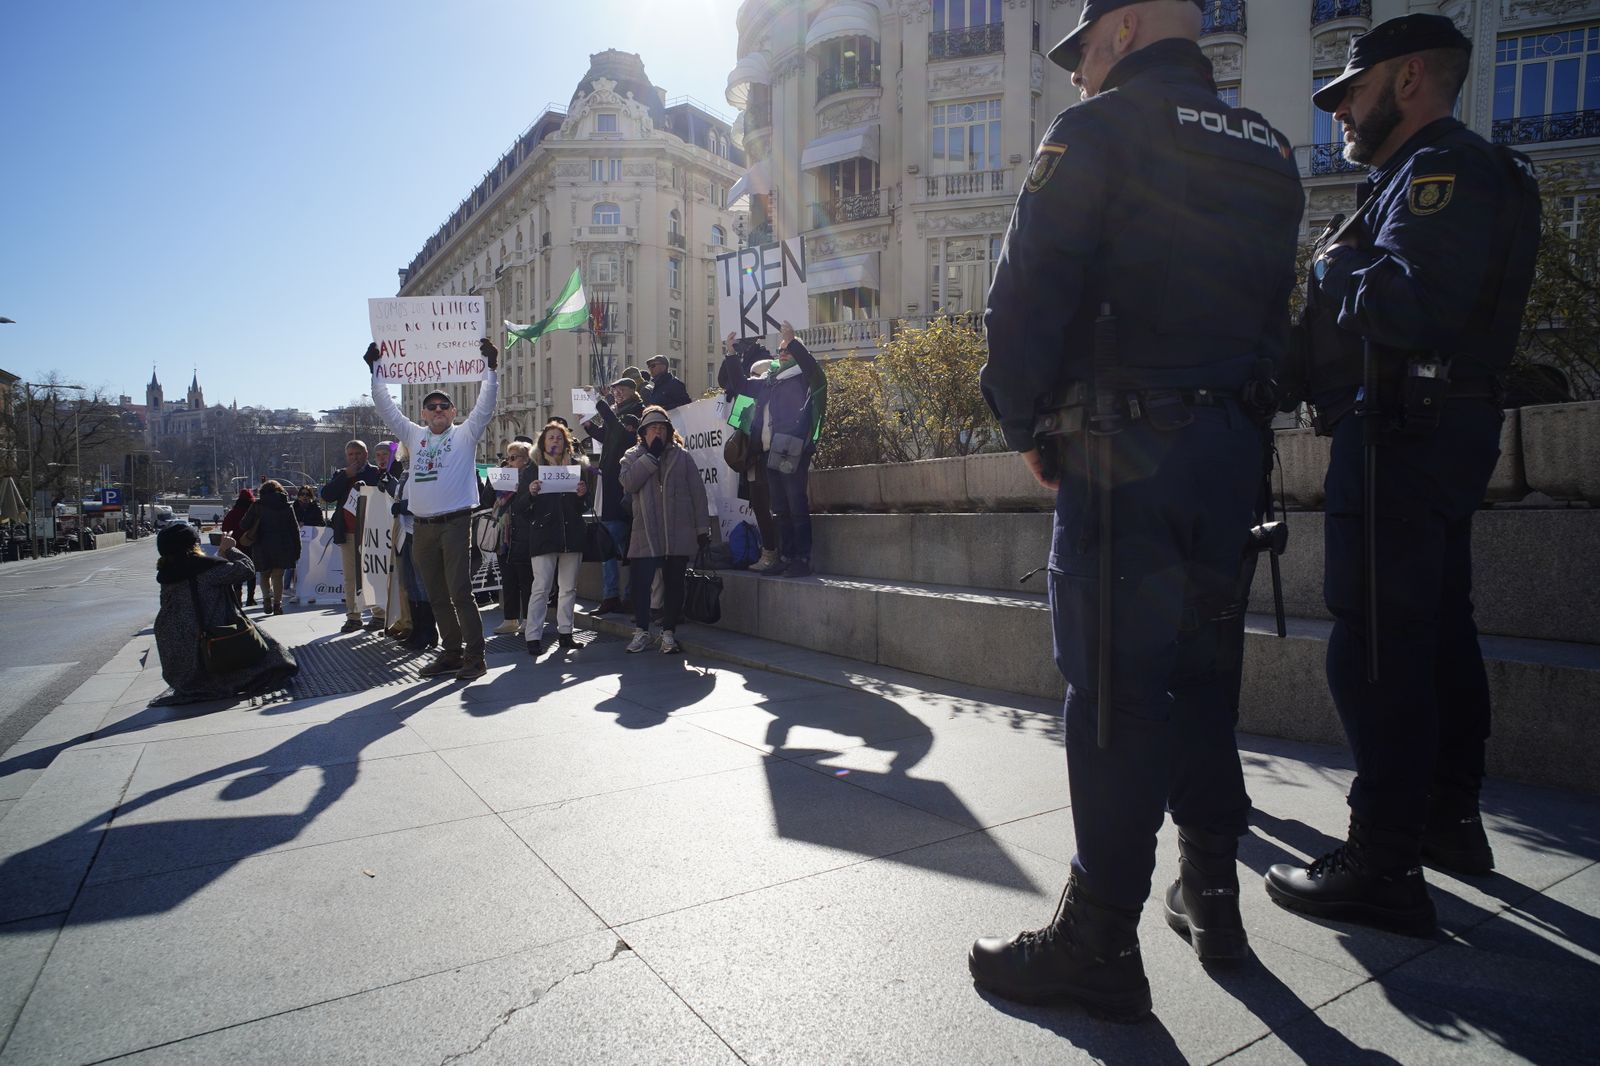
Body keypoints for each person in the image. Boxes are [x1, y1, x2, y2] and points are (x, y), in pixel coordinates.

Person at [969, 0, 1304, 1018]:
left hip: (1124, 457)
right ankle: (1211, 895)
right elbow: (1274, 310)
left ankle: (1100, 939)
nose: (1077, 73)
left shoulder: (1097, 129)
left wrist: (1025, 420)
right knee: (1204, 675)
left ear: (1122, 31)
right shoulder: (1270, 148)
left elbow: (1026, 295)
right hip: (1231, 455)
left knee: (1114, 689)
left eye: (1083, 51)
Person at [1264, 15, 1541, 936]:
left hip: (1401, 432)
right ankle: (1446, 822)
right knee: (1435, 628)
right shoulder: (1429, 175)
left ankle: (1381, 860)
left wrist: (1337, 261)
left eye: (1351, 90)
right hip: (1430, 428)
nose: (1340, 110)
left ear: (1411, 76)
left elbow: (1412, 307)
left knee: (1376, 638)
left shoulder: (1439, 173)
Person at [366, 338, 499, 681]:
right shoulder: (413, 435)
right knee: (436, 595)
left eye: (444, 406)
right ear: (423, 414)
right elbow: (385, 407)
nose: (438, 410)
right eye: (431, 407)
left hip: (455, 523)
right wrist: (375, 370)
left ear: (454, 412)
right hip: (421, 526)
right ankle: (451, 652)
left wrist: (491, 369)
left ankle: (475, 656)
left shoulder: (466, 434)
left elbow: (486, 405)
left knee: (460, 592)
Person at [152, 523, 297, 702]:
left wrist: (220, 555)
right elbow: (247, 569)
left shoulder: (167, 574)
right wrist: (230, 549)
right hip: (217, 643)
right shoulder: (206, 569)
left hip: (179, 653)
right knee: (277, 660)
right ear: (193, 544)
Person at [618, 406, 710, 654]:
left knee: (674, 585)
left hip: (676, 534)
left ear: (669, 431)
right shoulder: (632, 456)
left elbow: (698, 494)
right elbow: (628, 483)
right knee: (641, 585)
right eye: (652, 428)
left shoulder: (683, 457)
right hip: (645, 533)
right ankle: (641, 632)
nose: (657, 432)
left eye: (662, 428)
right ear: (643, 433)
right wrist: (651, 457)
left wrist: (702, 529)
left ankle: (668, 633)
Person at [751, 322, 825, 578]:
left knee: (796, 504)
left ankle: (802, 558)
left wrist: (792, 339)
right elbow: (741, 386)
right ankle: (786, 557)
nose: (782, 354)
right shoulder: (774, 380)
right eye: (780, 351)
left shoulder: (806, 375)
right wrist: (730, 354)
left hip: (794, 448)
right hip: (774, 448)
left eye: (787, 350)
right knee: (780, 507)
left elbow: (810, 365)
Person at [521, 421, 593, 656]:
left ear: (566, 443)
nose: (555, 441)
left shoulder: (575, 467)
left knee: (568, 588)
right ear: (543, 442)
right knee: (541, 588)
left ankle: (566, 633)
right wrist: (530, 493)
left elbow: (585, 505)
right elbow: (521, 507)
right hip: (544, 536)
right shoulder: (532, 469)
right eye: (550, 437)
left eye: (559, 438)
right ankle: (533, 636)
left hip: (571, 535)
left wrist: (582, 494)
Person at [720, 333, 781, 571]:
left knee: (775, 507)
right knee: (759, 506)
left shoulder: (778, 394)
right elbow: (739, 425)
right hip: (754, 461)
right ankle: (768, 552)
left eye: (756, 377)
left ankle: (777, 553)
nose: (752, 382)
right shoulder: (748, 397)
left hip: (774, 458)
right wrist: (731, 352)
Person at [589, 376, 644, 615]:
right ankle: (611, 595)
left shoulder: (637, 411)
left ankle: (630, 596)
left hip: (627, 490)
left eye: (622, 389)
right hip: (610, 488)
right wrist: (588, 425)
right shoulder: (615, 413)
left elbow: (620, 432)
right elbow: (607, 434)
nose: (617, 393)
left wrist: (598, 401)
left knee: (627, 546)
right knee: (607, 544)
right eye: (615, 390)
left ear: (633, 390)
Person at [320, 441, 380, 633]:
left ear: (366, 454)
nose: (355, 457)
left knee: (373, 575)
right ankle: (353, 617)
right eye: (351, 454)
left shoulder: (375, 472)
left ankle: (379, 615)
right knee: (350, 578)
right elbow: (327, 495)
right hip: (348, 533)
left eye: (358, 453)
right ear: (346, 456)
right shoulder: (341, 474)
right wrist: (345, 476)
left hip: (371, 533)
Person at [239, 480, 301, 616]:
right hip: (283, 546)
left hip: (261, 545)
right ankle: (277, 605)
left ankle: (267, 598)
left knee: (264, 574)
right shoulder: (286, 506)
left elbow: (243, 525)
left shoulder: (257, 506)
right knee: (278, 576)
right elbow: (294, 529)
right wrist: (297, 549)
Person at [494, 442, 535, 637]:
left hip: (523, 534)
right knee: (508, 578)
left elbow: (527, 505)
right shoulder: (504, 476)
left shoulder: (529, 477)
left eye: (513, 458)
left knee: (526, 579)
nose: (509, 462)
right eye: (507, 458)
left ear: (526, 459)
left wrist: (518, 488)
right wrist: (496, 482)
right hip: (504, 537)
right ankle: (510, 619)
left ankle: (528, 619)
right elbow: (487, 500)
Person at [219, 488, 257, 606]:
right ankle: (250, 598)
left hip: (235, 547)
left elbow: (225, 528)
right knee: (252, 572)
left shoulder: (232, 513)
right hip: (251, 545)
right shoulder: (254, 513)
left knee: (237, 572)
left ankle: (238, 597)